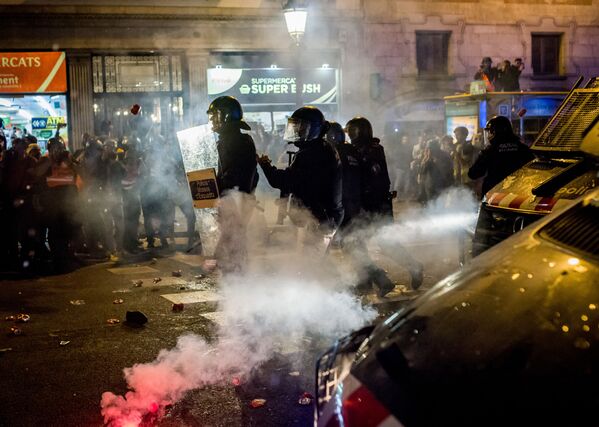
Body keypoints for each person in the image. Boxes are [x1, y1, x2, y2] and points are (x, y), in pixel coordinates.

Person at [345, 116, 423, 293]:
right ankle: (377, 279)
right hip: (371, 205)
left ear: (361, 132)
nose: (350, 135)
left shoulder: (372, 150)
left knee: (361, 244)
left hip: (375, 206)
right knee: (358, 243)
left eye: (352, 131)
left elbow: (373, 179)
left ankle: (387, 276)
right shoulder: (361, 149)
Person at [258, 106, 343, 248]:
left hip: (319, 220)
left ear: (314, 129)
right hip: (323, 217)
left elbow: (286, 180)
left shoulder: (312, 153)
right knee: (317, 263)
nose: (297, 131)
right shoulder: (321, 148)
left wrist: (266, 166)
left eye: (302, 127)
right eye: (296, 126)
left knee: (312, 264)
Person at [208, 95, 258, 272]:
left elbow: (237, 176)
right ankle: (234, 277)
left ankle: (237, 281)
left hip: (235, 201)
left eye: (215, 116)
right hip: (232, 199)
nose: (212, 120)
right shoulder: (228, 140)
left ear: (226, 116)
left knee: (233, 242)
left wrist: (214, 185)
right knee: (232, 242)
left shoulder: (238, 141)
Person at [468, 116, 535, 197]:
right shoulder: (523, 148)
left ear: (494, 132)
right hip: (518, 194)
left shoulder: (490, 151)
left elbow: (473, 173)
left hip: (494, 196)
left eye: (489, 132)